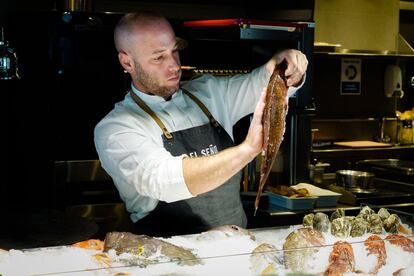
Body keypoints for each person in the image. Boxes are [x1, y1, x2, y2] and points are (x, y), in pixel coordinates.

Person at [94, 11, 308, 237]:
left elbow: (263, 84)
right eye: (159, 58)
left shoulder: (208, 92)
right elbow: (166, 180)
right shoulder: (116, 128)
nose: (174, 65)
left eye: (174, 51)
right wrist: (247, 150)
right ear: (127, 62)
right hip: (170, 261)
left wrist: (285, 65)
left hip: (236, 250)